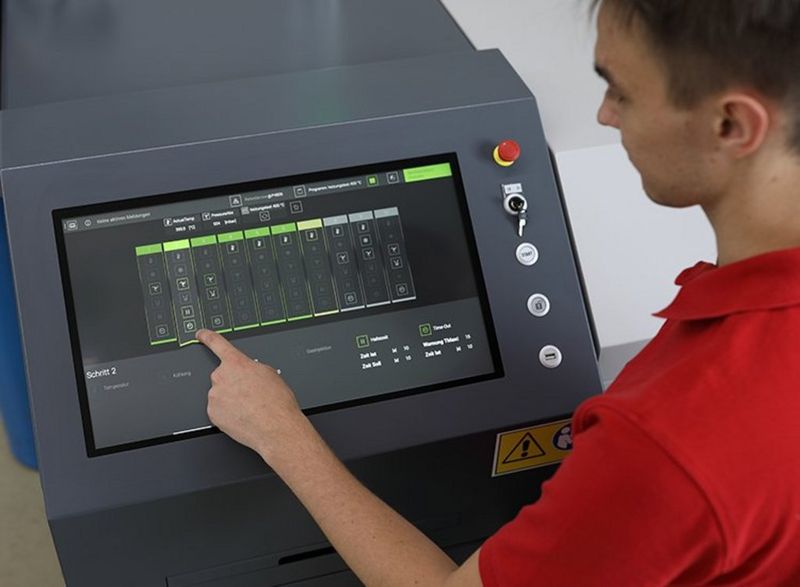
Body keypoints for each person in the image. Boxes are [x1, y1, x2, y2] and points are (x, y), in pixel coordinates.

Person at [196, 0, 800, 584]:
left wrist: (281, 434)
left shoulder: (666, 447)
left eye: (622, 91)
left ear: (732, 125)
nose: (604, 116)